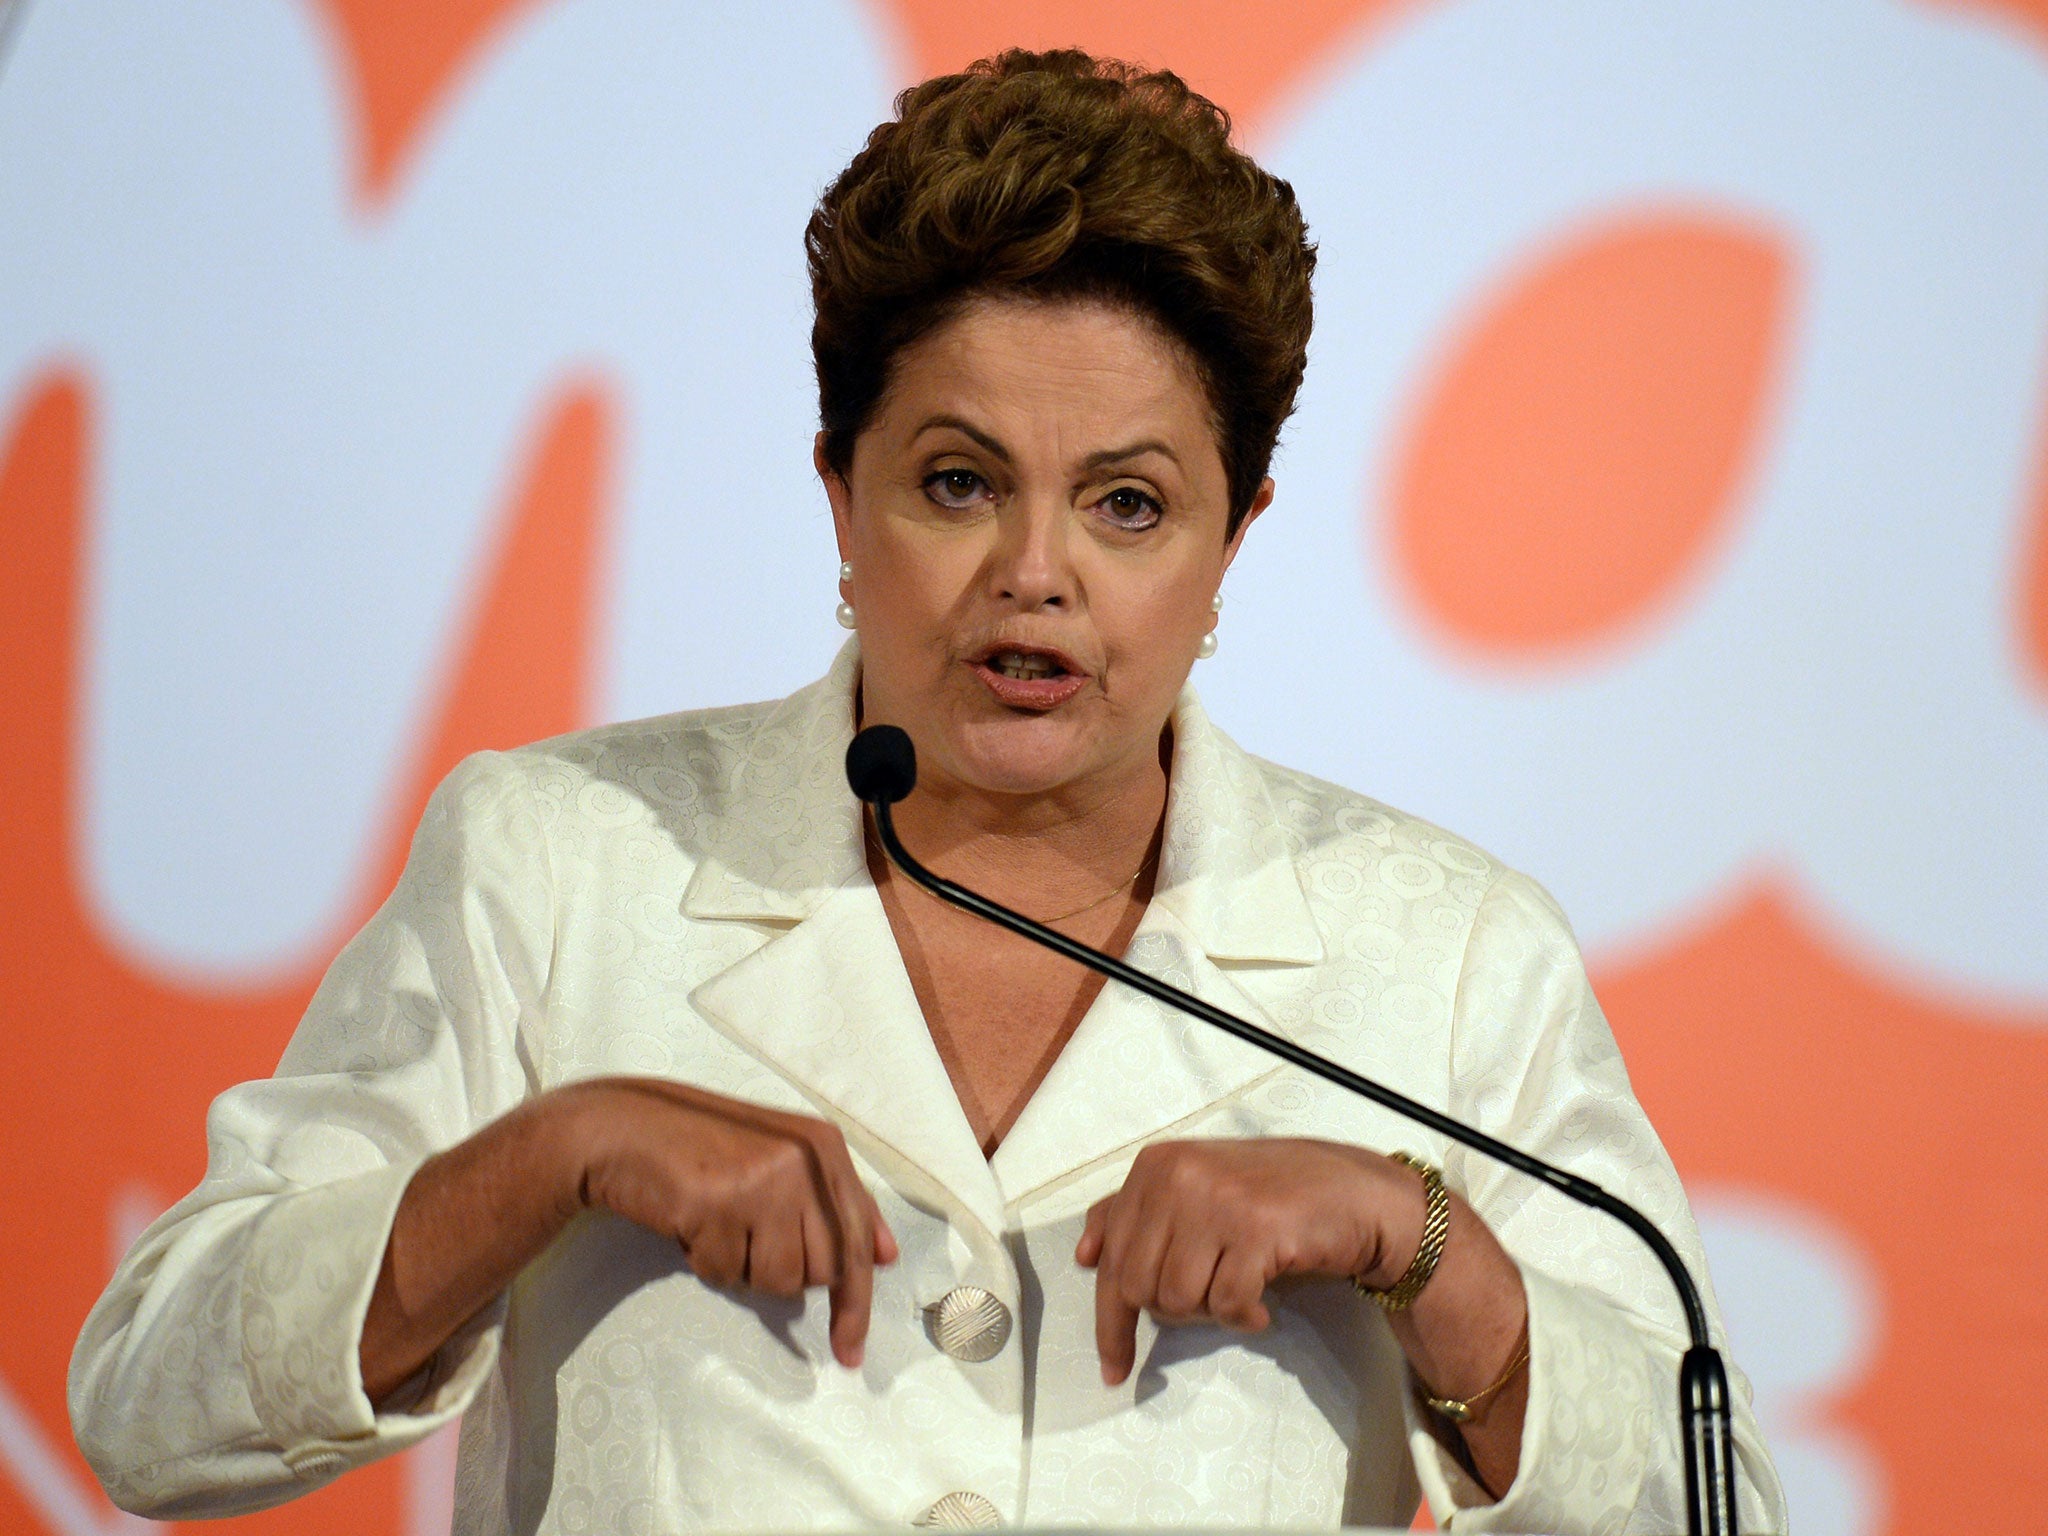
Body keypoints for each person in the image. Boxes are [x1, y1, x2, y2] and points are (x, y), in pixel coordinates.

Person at [70, 49, 1785, 1534]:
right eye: (958, 483)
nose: (1032, 576)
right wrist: (552, 1156)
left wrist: (1421, 1243)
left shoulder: (1448, 951)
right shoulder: (559, 862)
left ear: (1232, 541)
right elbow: (151, 1399)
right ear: (841, 494)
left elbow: (1713, 1512)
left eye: (1127, 506)